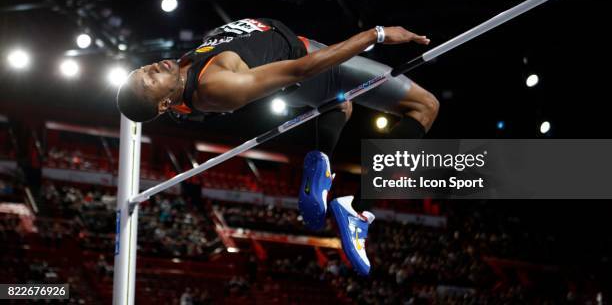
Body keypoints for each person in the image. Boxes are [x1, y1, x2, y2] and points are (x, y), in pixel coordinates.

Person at [117, 18, 439, 275]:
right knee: (424, 106)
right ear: (162, 105)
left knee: (341, 107)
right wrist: (377, 34)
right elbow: (300, 70)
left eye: (144, 69)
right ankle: (359, 209)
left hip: (299, 63)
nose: (153, 68)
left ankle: (321, 164)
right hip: (308, 63)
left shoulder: (183, 69)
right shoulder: (215, 87)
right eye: (149, 80)